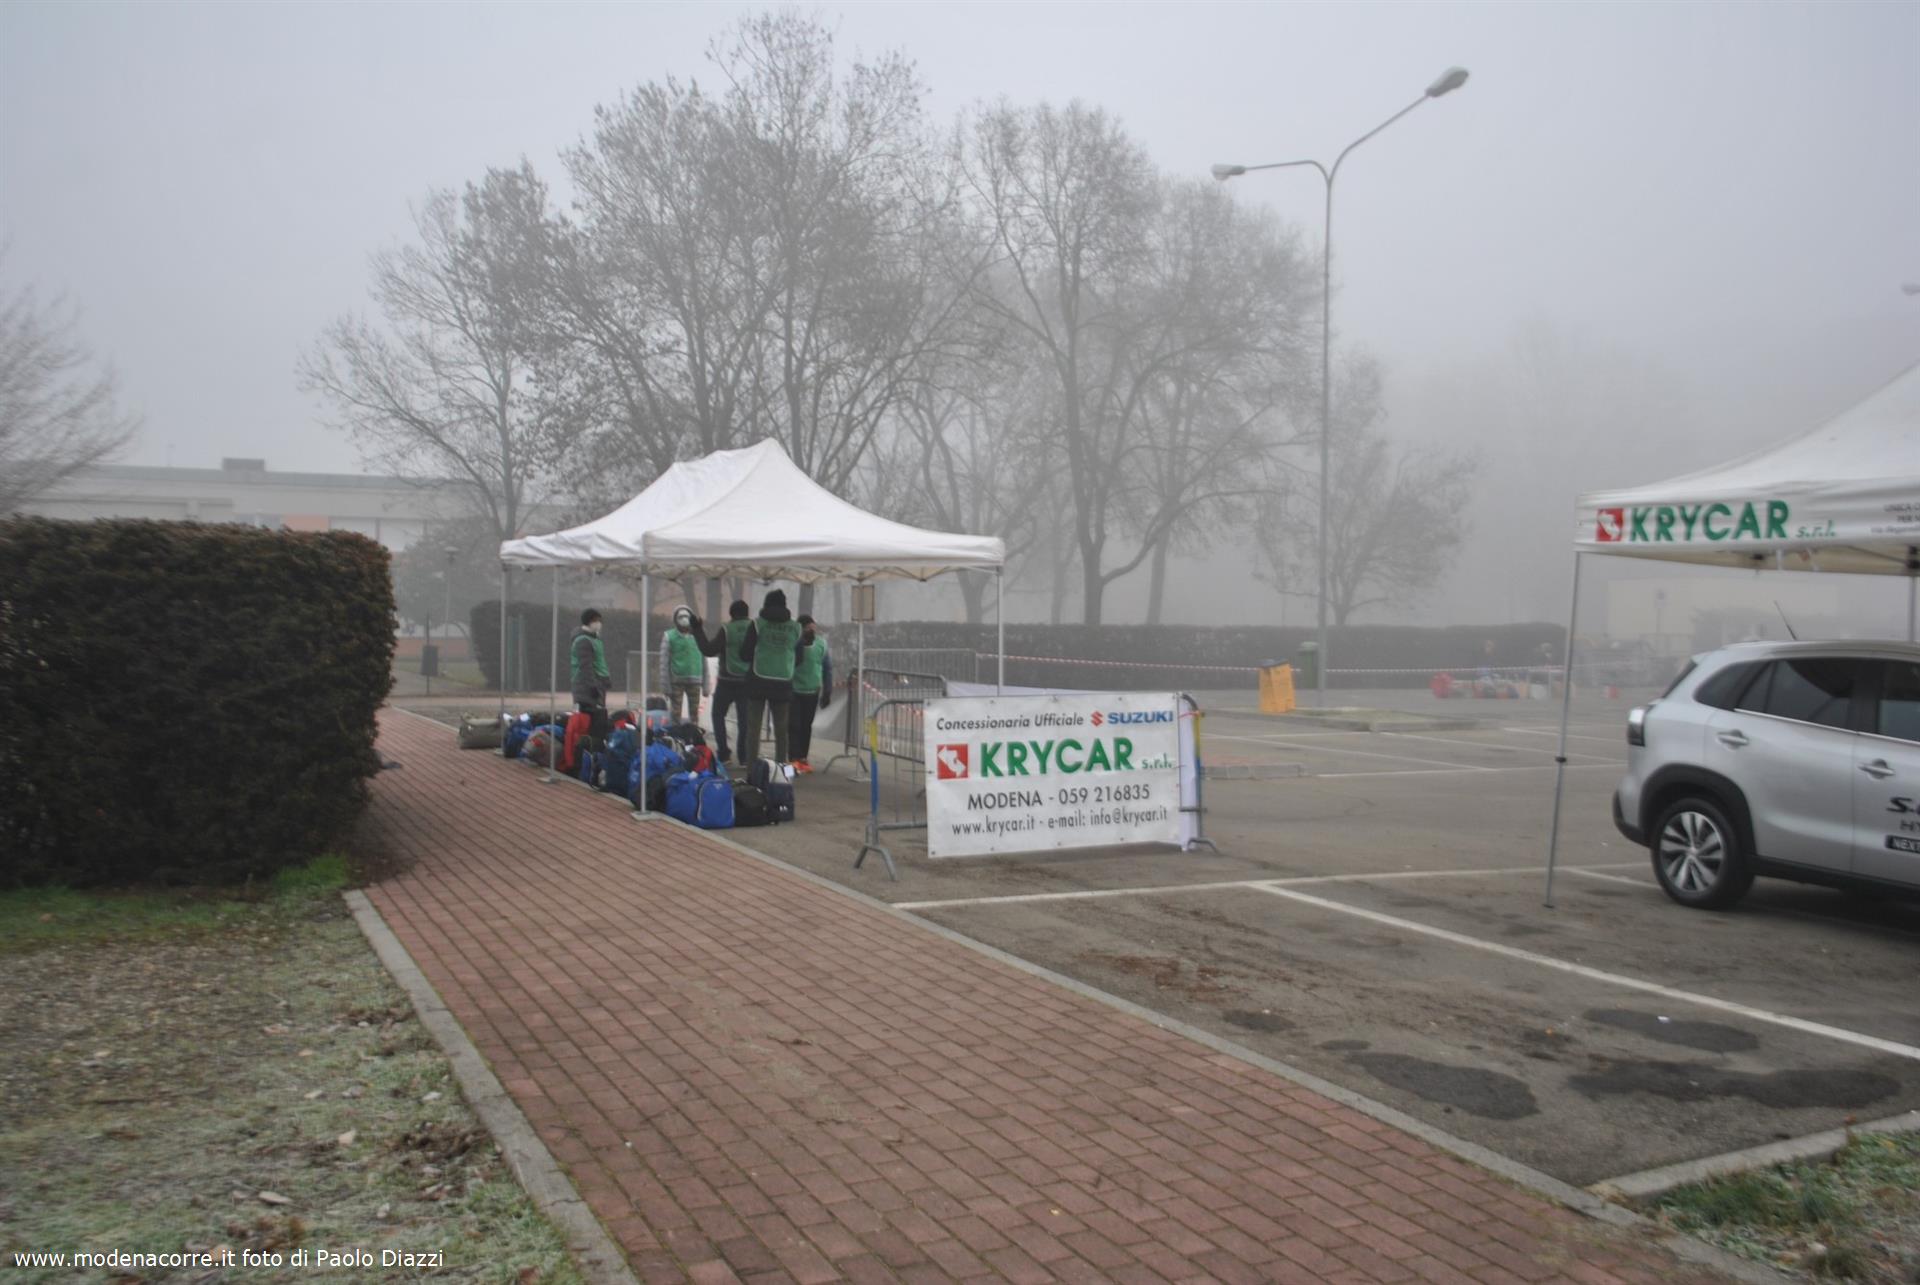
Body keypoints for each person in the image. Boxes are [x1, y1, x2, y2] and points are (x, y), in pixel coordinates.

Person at [737, 588, 805, 767]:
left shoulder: (757, 624)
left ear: (766, 604)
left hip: (757, 682)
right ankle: (782, 770)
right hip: (783, 682)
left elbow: (745, 653)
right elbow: (799, 658)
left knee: (754, 729)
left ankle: (752, 769)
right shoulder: (796, 628)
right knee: (782, 731)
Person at [701, 599, 752, 764]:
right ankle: (744, 756)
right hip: (747, 681)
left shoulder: (726, 629)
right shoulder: (754, 627)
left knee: (718, 715)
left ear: (731, 614)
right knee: (745, 720)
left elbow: (710, 650)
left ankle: (724, 754)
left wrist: (697, 631)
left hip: (726, 681)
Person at [788, 614, 833, 773]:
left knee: (806, 725)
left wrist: (827, 691)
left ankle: (802, 758)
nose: (811, 631)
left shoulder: (821, 644)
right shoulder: (793, 643)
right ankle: (792, 760)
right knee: (794, 725)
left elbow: (827, 668)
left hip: (812, 690)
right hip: (793, 690)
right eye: (807, 629)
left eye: (812, 628)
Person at [658, 605, 707, 722]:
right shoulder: (669, 636)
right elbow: (664, 663)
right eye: (681, 617)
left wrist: (706, 685)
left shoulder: (698, 634)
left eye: (686, 616)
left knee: (694, 714)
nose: (684, 619)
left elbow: (704, 659)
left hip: (695, 679)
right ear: (676, 619)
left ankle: (693, 731)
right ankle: (676, 732)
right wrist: (665, 686)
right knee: (675, 713)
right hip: (676, 681)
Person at [569, 608, 612, 738]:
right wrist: (592, 686)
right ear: (587, 622)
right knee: (590, 721)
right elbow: (585, 667)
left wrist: (606, 679)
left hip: (597, 684)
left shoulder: (595, 639)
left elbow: (600, 663)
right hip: (585, 687)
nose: (598, 623)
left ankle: (594, 744)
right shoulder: (583, 640)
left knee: (598, 719)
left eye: (600, 620)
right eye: (595, 620)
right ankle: (588, 745)